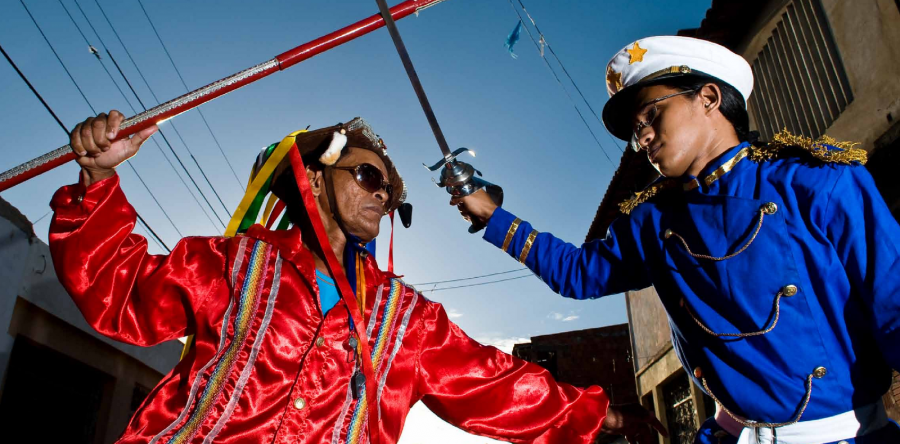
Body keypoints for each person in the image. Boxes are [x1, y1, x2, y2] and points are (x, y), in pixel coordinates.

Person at [50, 110, 666, 444]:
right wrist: (98, 181)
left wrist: (603, 418)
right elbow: (119, 291)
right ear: (316, 178)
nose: (383, 196)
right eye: (369, 178)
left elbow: (494, 385)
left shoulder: (407, 319)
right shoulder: (232, 264)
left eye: (391, 192)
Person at [454, 36, 900, 444]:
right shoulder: (652, 220)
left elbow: (894, 305)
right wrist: (493, 217)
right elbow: (578, 274)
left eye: (652, 114)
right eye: (635, 129)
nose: (641, 136)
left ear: (708, 97)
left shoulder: (814, 183)